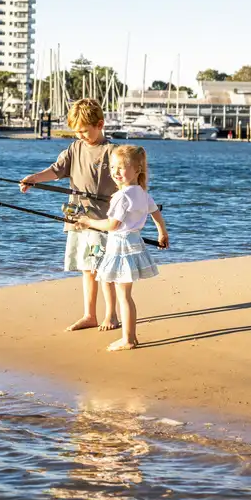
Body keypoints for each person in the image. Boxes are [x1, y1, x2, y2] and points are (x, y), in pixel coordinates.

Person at [19, 99, 120, 332]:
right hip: (78, 219)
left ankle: (111, 315)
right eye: (77, 132)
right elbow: (56, 170)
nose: (80, 135)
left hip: (101, 222)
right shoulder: (75, 148)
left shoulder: (112, 152)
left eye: (84, 131)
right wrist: (33, 178)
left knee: (103, 269)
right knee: (87, 268)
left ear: (100, 124)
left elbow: (127, 184)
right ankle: (89, 315)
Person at [74, 144, 168, 351]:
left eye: (122, 167)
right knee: (110, 281)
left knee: (124, 296)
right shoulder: (141, 193)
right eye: (113, 167)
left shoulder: (122, 196)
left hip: (121, 247)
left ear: (137, 170)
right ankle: (120, 326)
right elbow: (156, 213)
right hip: (133, 244)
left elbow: (112, 225)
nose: (116, 172)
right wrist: (162, 233)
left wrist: (87, 222)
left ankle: (129, 339)